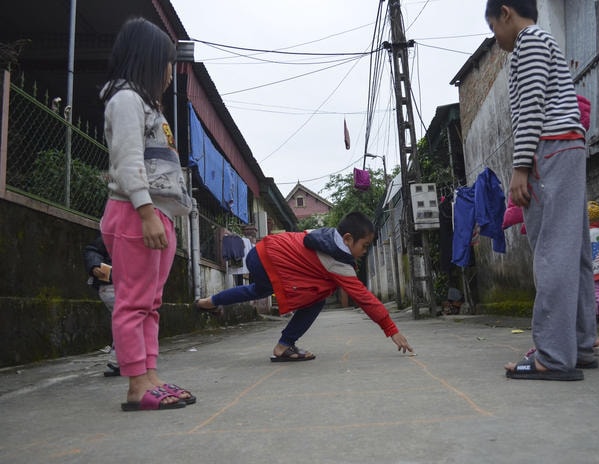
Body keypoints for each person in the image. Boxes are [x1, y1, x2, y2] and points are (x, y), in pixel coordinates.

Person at [485, 0, 597, 380]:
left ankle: (552, 353)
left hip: (550, 147)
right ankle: (578, 344)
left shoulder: (529, 41)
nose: (496, 38)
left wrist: (519, 167)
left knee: (552, 251)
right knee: (574, 250)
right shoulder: (544, 41)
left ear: (505, 13)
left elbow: (531, 106)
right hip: (567, 145)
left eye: (493, 28)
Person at [100, 17, 194, 411]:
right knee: (133, 302)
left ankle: (149, 373)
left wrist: (164, 216)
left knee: (150, 303)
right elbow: (127, 160)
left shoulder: (149, 107)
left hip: (158, 216)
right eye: (168, 63)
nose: (171, 73)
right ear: (148, 60)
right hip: (136, 213)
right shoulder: (124, 100)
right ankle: (137, 384)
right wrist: (145, 211)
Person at [195, 212, 413, 361]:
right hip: (270, 260)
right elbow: (364, 298)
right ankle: (284, 346)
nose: (365, 251)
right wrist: (390, 329)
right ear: (347, 239)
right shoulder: (338, 262)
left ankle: (208, 302)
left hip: (258, 253)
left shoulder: (326, 236)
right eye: (364, 246)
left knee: (257, 290)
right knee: (317, 299)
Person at [83, 234, 120, 377]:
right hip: (111, 285)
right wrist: (95, 266)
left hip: (119, 285)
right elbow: (92, 251)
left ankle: (121, 359)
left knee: (126, 320)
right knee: (127, 320)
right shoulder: (112, 235)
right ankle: (119, 360)